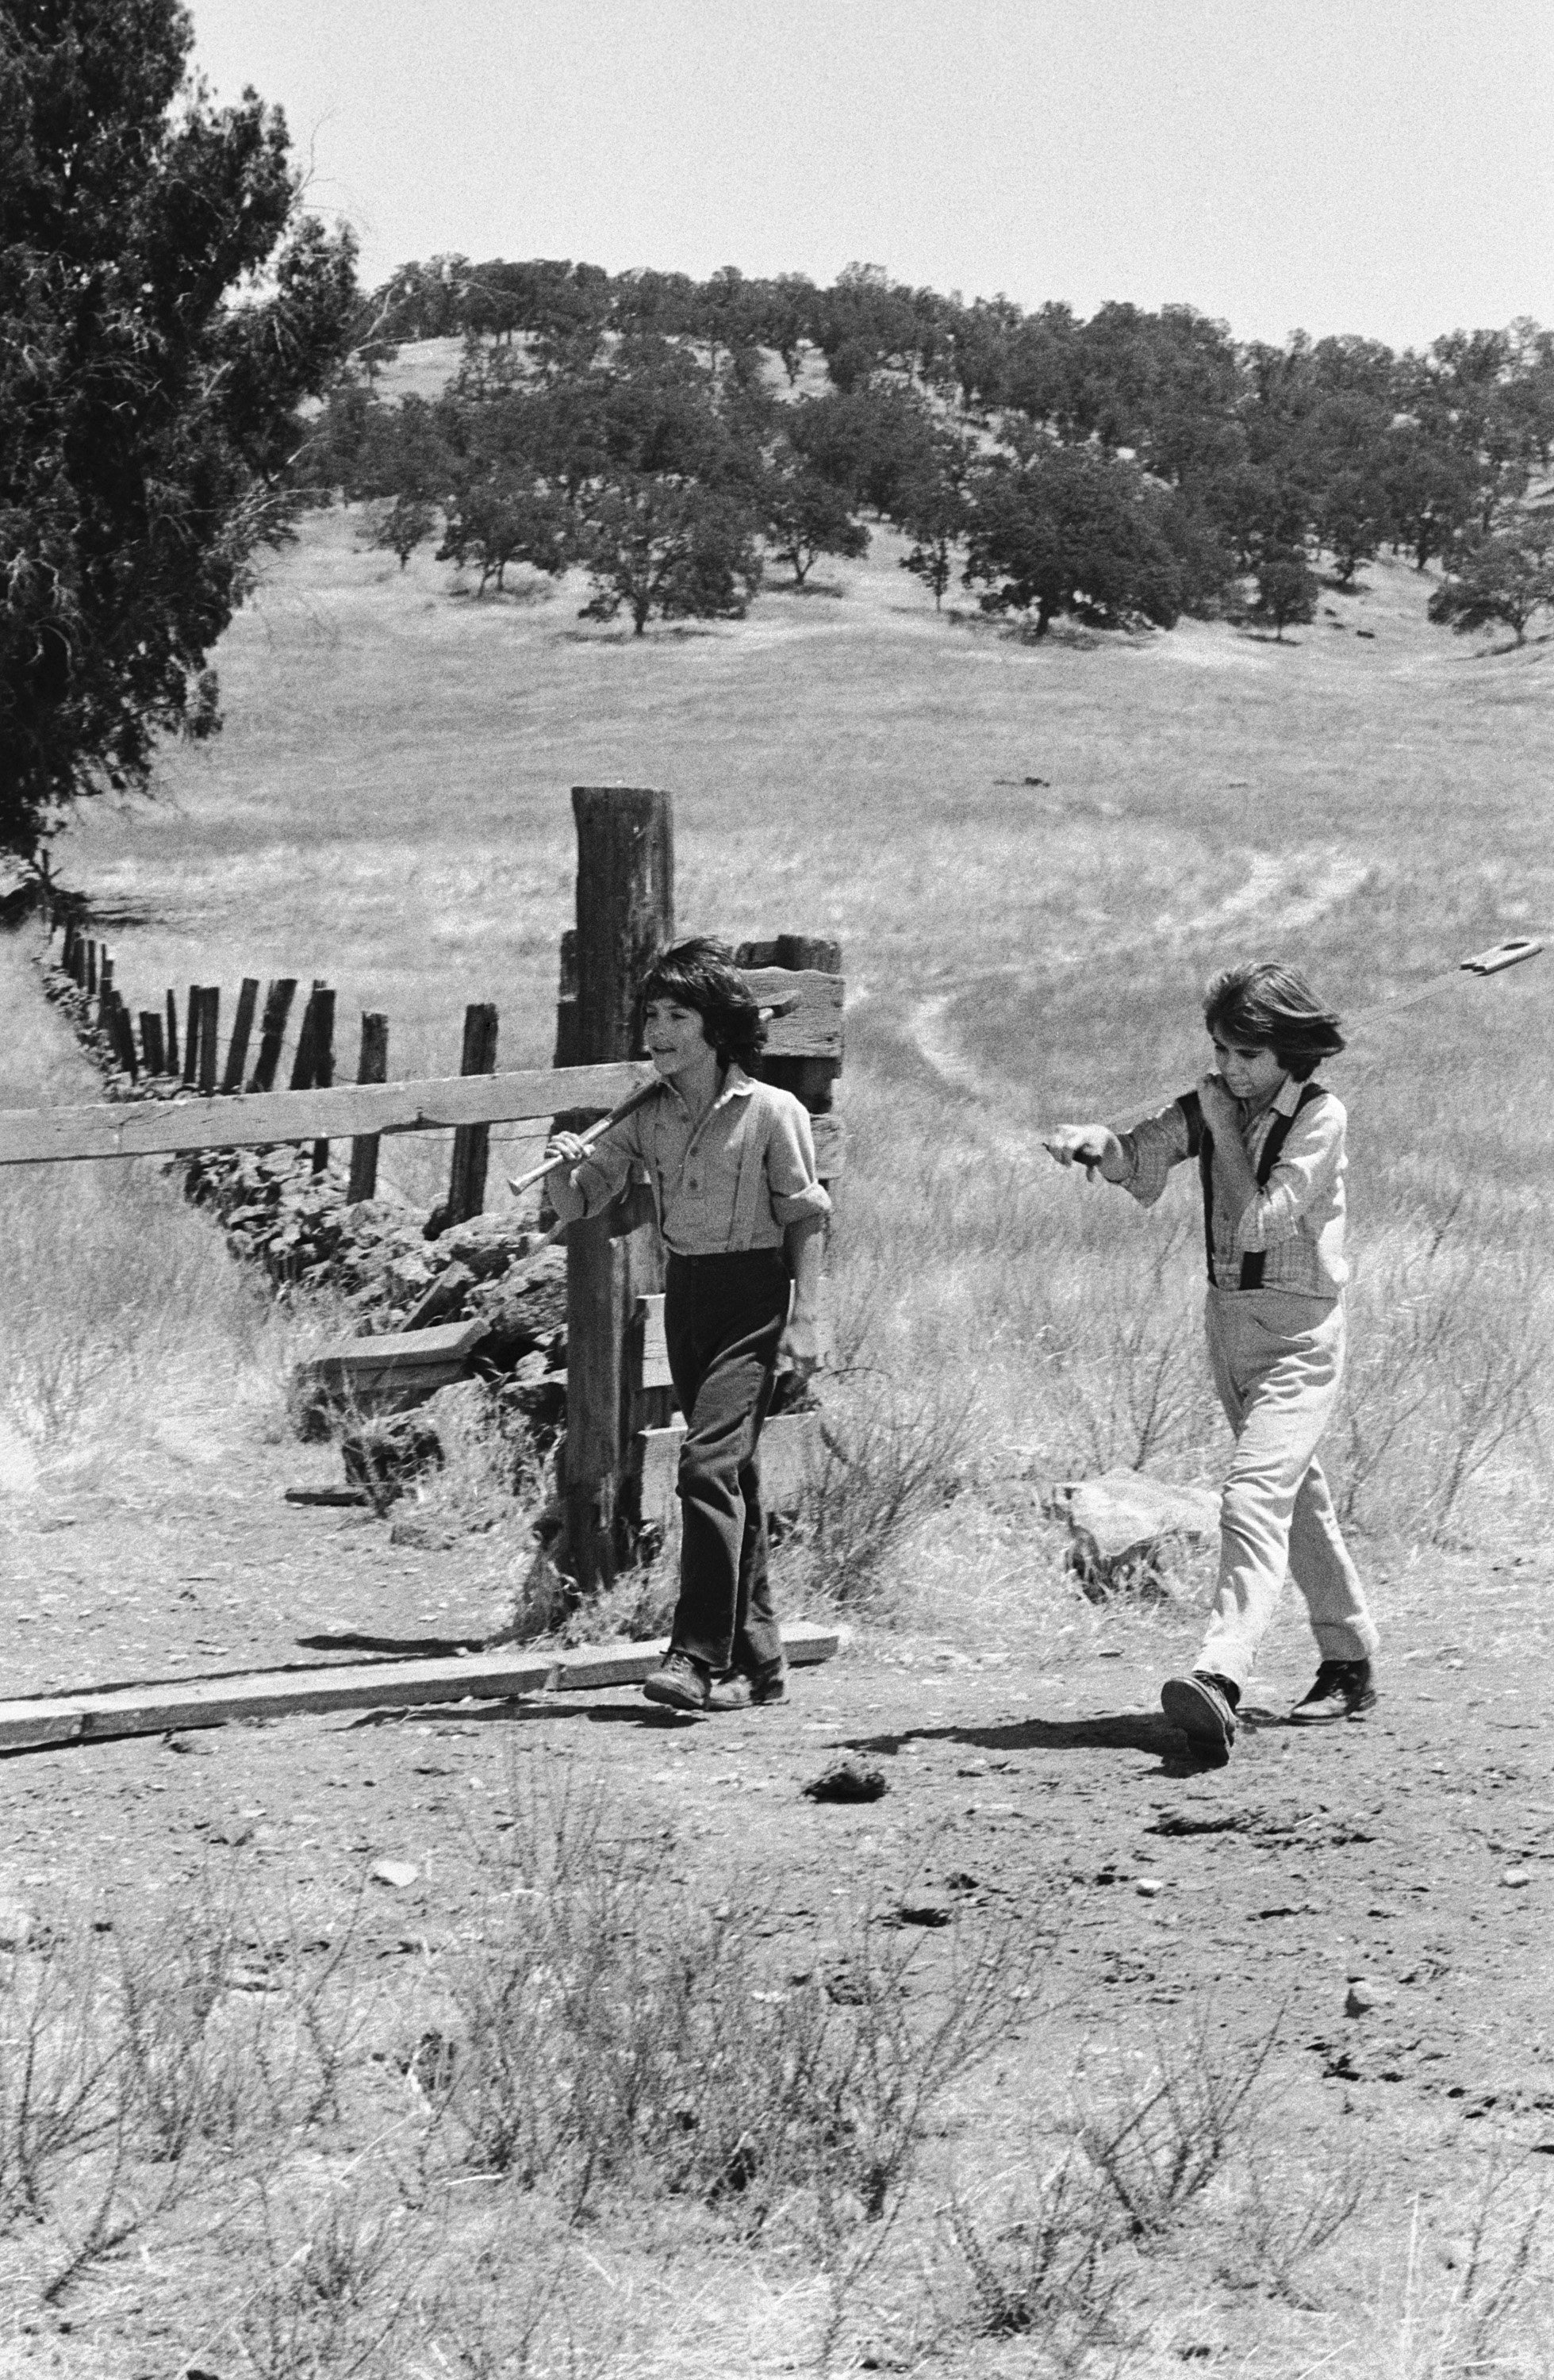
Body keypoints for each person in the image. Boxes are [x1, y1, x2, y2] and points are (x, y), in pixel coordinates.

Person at [1042, 961, 1379, 1759]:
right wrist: (1102, 1148)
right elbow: (1145, 1157)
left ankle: (1219, 1675)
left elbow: (1262, 1222)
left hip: (1299, 1334)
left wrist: (1220, 1127)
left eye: (1247, 1056)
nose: (1229, 1070)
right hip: (1228, 1327)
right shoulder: (1215, 1102)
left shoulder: (1322, 1119)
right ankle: (1350, 1659)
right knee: (1295, 1501)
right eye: (1222, 1052)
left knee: (1253, 1497)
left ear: (1291, 1052)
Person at [544, 937, 831, 1714]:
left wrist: (806, 1320)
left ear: (716, 1027)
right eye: (652, 1016)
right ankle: (763, 1664)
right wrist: (570, 1164)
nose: (659, 1031)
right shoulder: (646, 1117)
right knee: (732, 1474)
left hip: (754, 1297)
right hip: (689, 1295)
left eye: (677, 1015)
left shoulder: (774, 1113)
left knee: (704, 1466)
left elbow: (806, 1218)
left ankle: (695, 1656)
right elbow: (580, 1205)